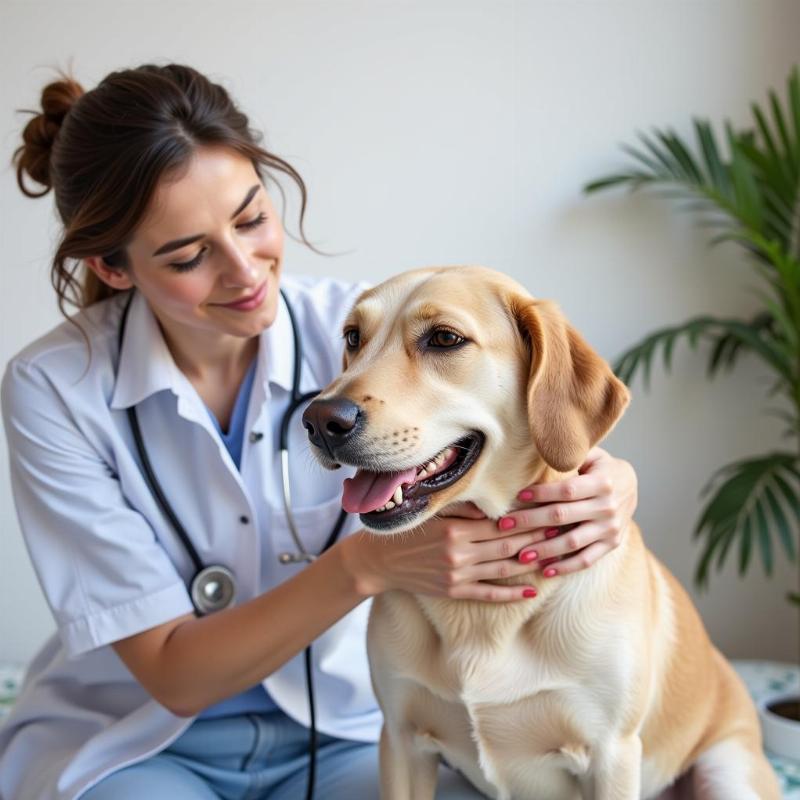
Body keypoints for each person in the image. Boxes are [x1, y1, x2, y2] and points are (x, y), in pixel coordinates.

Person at [0, 64, 639, 800]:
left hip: (342, 731)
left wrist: (611, 479)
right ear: (112, 268)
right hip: (138, 739)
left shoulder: (363, 328)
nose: (245, 272)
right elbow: (173, 676)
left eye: (250, 219)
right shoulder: (53, 387)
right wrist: (365, 566)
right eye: (188, 255)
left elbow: (519, 416)